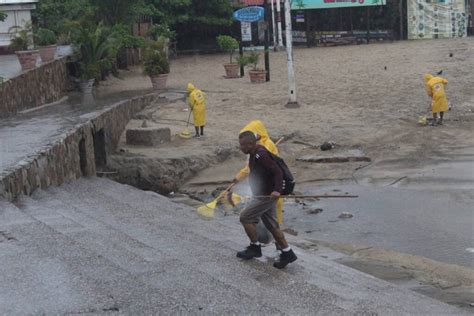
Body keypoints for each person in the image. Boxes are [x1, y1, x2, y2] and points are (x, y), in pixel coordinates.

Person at [236, 131, 297, 269]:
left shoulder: (260, 154)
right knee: (272, 226)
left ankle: (255, 247)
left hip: (266, 196)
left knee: (245, 217)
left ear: (251, 144)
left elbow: (277, 172)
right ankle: (288, 253)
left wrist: (276, 190)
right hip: (262, 194)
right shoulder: (253, 153)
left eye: (243, 145)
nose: (241, 148)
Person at [232, 120, 284, 226]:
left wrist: (239, 176)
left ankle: (275, 234)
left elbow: (276, 170)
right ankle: (272, 234)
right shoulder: (256, 146)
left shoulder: (265, 146)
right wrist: (239, 177)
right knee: (267, 216)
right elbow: (251, 166)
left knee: (272, 212)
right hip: (263, 187)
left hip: (270, 186)